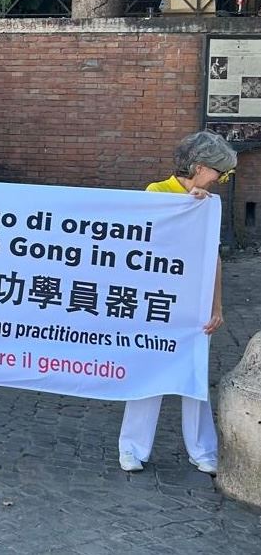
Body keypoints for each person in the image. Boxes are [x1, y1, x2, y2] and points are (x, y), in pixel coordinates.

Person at [118, 131, 233, 475]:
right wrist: (188, 208)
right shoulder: (157, 192)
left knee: (194, 375)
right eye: (220, 173)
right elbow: (149, 242)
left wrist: (217, 306)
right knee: (148, 371)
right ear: (199, 168)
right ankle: (132, 448)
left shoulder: (210, 203)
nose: (221, 181)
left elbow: (214, 258)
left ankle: (203, 450)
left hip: (194, 304)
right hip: (155, 302)